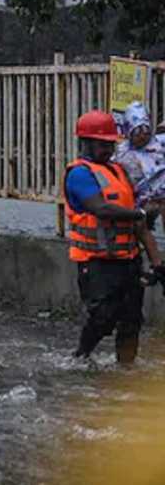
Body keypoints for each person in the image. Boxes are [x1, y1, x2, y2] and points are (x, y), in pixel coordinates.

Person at [64, 109, 164, 364]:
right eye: (102, 144)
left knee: (131, 320)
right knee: (103, 317)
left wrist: (158, 264)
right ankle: (79, 358)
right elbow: (102, 208)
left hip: (128, 260)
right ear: (85, 142)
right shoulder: (79, 174)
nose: (108, 150)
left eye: (111, 144)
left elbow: (140, 226)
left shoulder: (119, 172)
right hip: (97, 263)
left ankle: (126, 369)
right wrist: (140, 211)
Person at [113, 101, 165, 226]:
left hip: (162, 192)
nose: (142, 136)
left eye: (146, 131)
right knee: (139, 225)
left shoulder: (158, 143)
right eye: (137, 132)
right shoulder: (123, 152)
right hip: (139, 197)